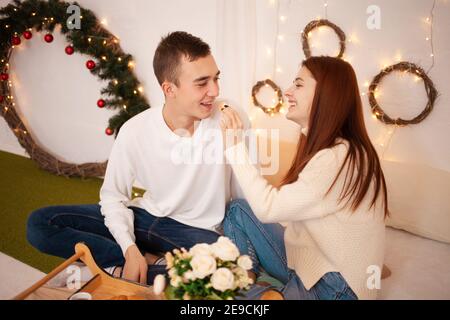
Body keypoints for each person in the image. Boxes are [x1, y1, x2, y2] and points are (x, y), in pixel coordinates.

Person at [27, 31, 243, 285]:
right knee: (40, 224)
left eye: (216, 79)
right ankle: (139, 260)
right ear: (169, 89)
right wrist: (129, 248)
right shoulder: (134, 130)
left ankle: (112, 267)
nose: (215, 90)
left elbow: (242, 195)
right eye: (202, 82)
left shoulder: (229, 119)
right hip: (144, 218)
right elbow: (113, 197)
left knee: (232, 270)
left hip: (196, 233)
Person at [220, 56, 388, 300]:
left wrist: (234, 145)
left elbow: (268, 208)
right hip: (308, 262)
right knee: (238, 210)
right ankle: (248, 283)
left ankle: (257, 294)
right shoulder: (329, 147)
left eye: (298, 85)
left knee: (222, 298)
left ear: (327, 94)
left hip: (336, 286)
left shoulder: (338, 158)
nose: (287, 92)